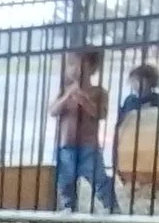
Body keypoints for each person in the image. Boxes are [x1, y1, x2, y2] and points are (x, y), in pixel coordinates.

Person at [50, 46, 117, 213]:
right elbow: (53, 111)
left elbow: (100, 114)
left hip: (88, 146)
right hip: (66, 144)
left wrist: (85, 100)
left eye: (76, 64)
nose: (71, 69)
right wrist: (67, 97)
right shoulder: (63, 91)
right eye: (69, 65)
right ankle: (68, 207)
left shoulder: (98, 92)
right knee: (65, 179)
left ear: (92, 68)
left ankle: (111, 206)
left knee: (99, 179)